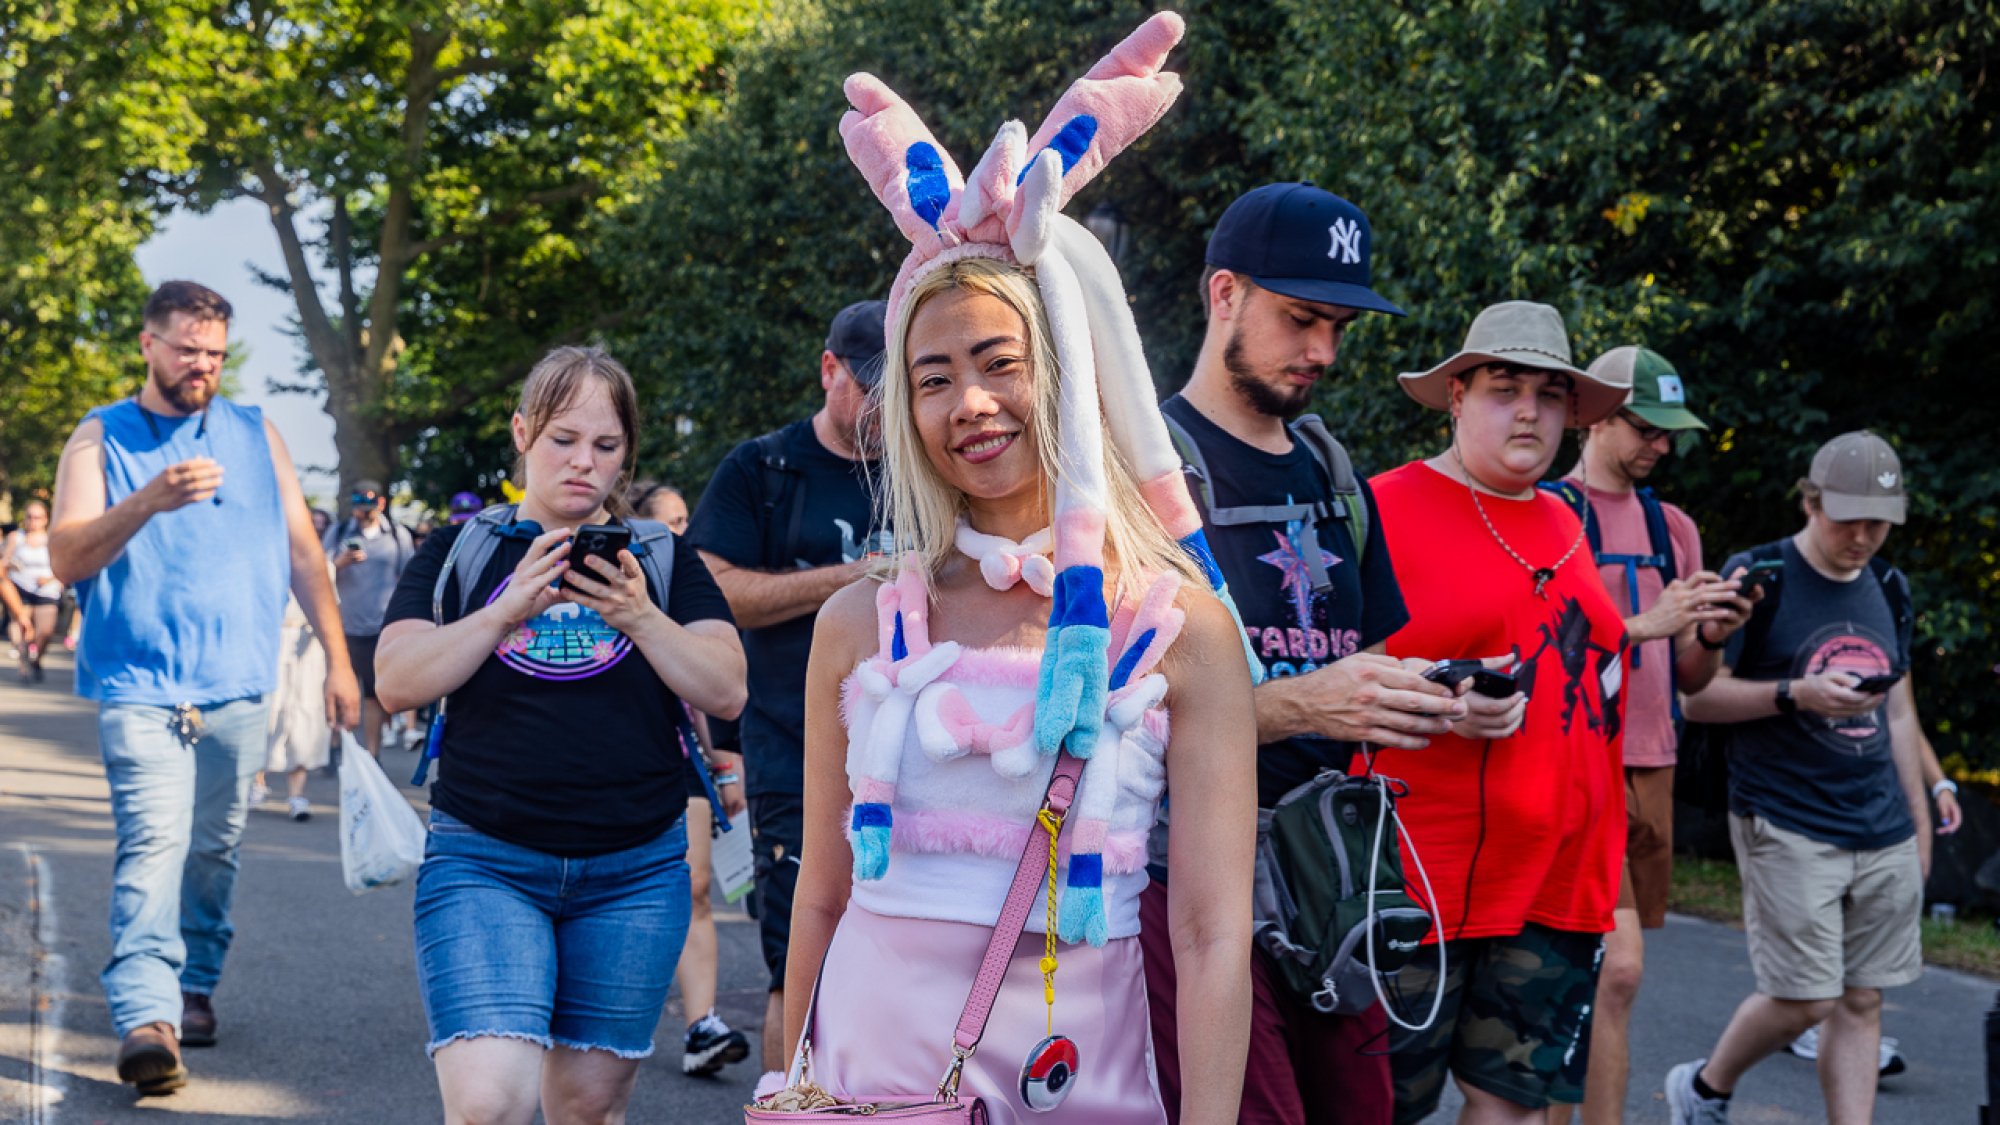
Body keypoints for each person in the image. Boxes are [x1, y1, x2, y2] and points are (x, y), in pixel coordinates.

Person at [779, 21, 1253, 1121]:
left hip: (1079, 1077)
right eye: (932, 377)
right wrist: (784, 1078)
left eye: (1000, 363)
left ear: (1072, 376)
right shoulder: (857, 623)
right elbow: (820, 893)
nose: (969, 404)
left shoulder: (1179, 628)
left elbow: (1210, 928)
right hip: (866, 1072)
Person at [1145, 183, 1469, 1125]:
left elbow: (1355, 660)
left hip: (1334, 879)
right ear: (1223, 295)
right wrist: (1297, 706)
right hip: (1191, 880)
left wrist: (1437, 699)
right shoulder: (1149, 476)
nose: (1324, 351)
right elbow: (1102, 706)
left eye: (1338, 326)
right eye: (1301, 319)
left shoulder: (1334, 473)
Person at [375, 345, 746, 1124]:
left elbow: (726, 685)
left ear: (626, 455)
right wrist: (502, 611)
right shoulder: (462, 549)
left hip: (635, 871)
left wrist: (640, 615)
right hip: (485, 859)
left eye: (606, 446)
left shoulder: (661, 557)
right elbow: (398, 678)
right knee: (487, 1105)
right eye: (563, 440)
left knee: (586, 1108)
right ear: (521, 433)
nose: (584, 463)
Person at [46, 280, 360, 1094]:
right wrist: (149, 499)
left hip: (240, 685)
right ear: (148, 345)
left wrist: (339, 659)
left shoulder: (257, 432)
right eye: (187, 349)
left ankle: (193, 985)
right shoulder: (100, 435)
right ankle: (148, 1017)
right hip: (140, 685)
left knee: (214, 850)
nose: (202, 366)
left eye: (215, 353)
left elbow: (301, 553)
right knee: (153, 842)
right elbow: (67, 557)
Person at [1363, 301, 1631, 1124]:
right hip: (1415, 879)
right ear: (1455, 396)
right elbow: (1317, 675)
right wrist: (1437, 696)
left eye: (1550, 394)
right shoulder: (1380, 507)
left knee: (1508, 1104)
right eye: (1503, 387)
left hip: (1553, 878)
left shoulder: (1565, 518)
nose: (1528, 409)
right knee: (1381, 1107)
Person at [1666, 432, 1929, 1125]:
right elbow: (1697, 697)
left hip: (1882, 823)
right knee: (1808, 997)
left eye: (1879, 521)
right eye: (1848, 517)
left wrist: (1921, 821)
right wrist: (1798, 693)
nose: (1864, 536)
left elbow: (1899, 714)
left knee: (1864, 996)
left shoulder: (1890, 587)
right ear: (1810, 501)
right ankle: (1705, 1087)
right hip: (1784, 814)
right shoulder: (1760, 575)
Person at [1542, 347, 1753, 1125]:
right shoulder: (1549, 511)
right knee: (1610, 970)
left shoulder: (1675, 530)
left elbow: (1692, 678)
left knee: (1604, 978)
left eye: (1670, 434)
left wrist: (1715, 632)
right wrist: (1642, 625)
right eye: (1646, 428)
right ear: (1595, 415)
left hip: (1651, 764)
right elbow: (1544, 651)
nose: (1660, 446)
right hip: (1573, 763)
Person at [687, 298, 892, 1087]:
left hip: (909, 753)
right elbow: (716, 589)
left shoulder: (928, 462)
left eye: (899, 385)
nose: (883, 407)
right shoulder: (762, 468)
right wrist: (853, 579)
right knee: (798, 962)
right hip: (792, 748)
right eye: (869, 386)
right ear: (829, 369)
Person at [627, 477, 752, 1075]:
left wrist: (721, 762)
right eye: (670, 524)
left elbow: (708, 694)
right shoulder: (633, 577)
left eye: (685, 521)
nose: (683, 534)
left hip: (683, 760)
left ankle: (702, 1024)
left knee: (697, 886)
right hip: (618, 761)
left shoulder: (688, 585)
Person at [323, 479, 415, 759]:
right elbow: (317, 574)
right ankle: (337, 748)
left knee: (374, 695)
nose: (363, 513)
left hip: (381, 627)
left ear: (382, 504)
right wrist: (340, 563)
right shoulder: (338, 532)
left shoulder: (397, 535)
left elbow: (410, 578)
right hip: (344, 626)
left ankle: (372, 755)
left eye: (369, 507)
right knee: (341, 690)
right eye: (359, 507)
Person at [3, 499, 62, 682]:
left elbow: (64, 564)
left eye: (38, 517)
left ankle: (36, 658)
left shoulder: (53, 538)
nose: (33, 520)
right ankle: (23, 665)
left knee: (45, 631)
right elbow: (4, 562)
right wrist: (10, 565)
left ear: (45, 519)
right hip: (20, 587)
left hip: (47, 589)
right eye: (29, 516)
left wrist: (50, 578)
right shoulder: (16, 538)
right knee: (20, 625)